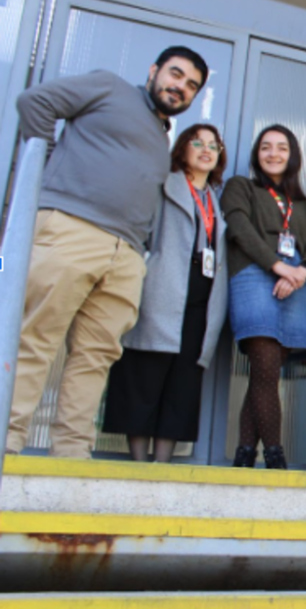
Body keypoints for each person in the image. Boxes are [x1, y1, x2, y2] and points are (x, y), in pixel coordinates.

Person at [5, 46, 209, 459]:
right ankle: (6, 441)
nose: (180, 87)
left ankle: (71, 455)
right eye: (175, 74)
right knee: (36, 338)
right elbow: (35, 102)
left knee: (96, 356)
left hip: (127, 255)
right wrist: (43, 161)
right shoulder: (108, 87)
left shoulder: (161, 133)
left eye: (191, 85)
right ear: (153, 71)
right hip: (72, 228)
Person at [102, 124, 228, 463]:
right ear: (182, 150)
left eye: (213, 146)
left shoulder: (215, 199)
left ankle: (163, 463)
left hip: (201, 300)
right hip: (163, 288)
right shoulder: (165, 185)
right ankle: (140, 461)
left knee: (183, 382)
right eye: (197, 143)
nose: (206, 150)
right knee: (145, 373)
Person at [221, 125, 306, 470]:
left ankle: (244, 454)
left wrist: (301, 273)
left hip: (295, 282)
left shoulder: (302, 203)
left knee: (266, 374)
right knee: (264, 366)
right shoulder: (241, 186)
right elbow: (239, 229)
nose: (273, 153)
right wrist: (279, 267)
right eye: (265, 147)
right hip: (254, 274)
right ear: (256, 154)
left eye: (281, 148)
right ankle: (276, 456)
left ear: (292, 155)